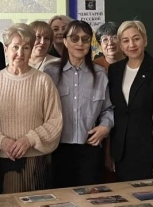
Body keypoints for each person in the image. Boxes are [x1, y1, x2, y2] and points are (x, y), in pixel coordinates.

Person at [0, 23, 62, 194]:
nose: (20, 53)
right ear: (6, 49)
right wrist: (1, 141)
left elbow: (55, 121)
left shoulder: (43, 81)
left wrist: (29, 139)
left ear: (31, 50)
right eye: (15, 47)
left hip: (35, 164)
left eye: (26, 47)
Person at [44, 20, 114, 188]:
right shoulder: (50, 72)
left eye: (85, 39)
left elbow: (108, 109)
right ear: (65, 41)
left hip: (90, 147)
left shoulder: (100, 74)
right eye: (74, 38)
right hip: (58, 148)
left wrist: (105, 127)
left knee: (90, 198)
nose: (80, 43)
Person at [108, 20, 153, 181]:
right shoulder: (114, 70)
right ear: (120, 45)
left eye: (136, 38)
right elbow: (113, 111)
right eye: (125, 40)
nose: (131, 44)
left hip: (149, 150)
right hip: (121, 152)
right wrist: (110, 152)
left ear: (145, 40)